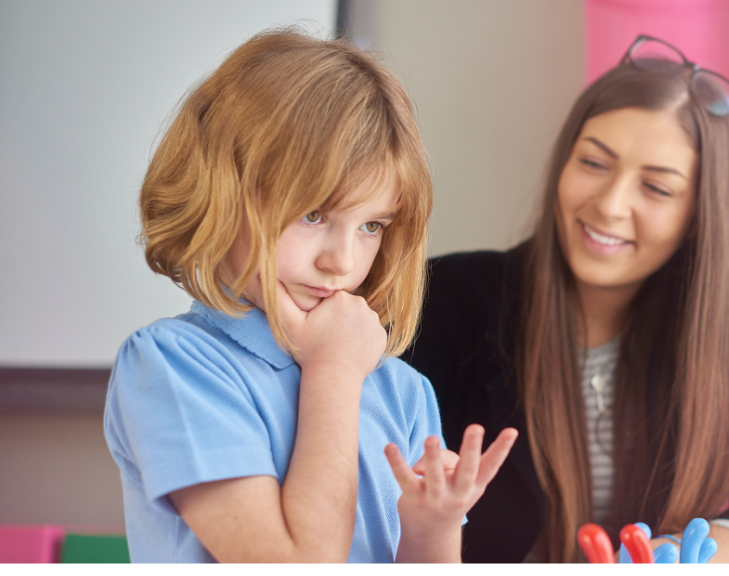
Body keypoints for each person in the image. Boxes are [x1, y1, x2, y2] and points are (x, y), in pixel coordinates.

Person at [401, 35, 729, 563]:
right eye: (593, 163)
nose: (609, 206)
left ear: (699, 217)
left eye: (656, 188)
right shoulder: (444, 300)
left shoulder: (698, 345)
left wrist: (703, 553)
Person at [103, 28, 517, 563]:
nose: (341, 262)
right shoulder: (172, 365)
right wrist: (334, 373)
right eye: (314, 214)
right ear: (223, 192)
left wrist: (431, 530)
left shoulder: (402, 392)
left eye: (371, 226)